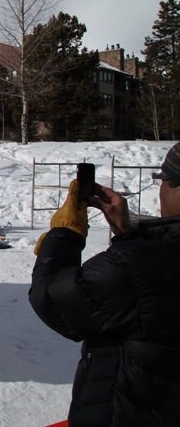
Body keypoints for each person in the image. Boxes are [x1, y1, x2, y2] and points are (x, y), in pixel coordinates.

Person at [30, 143, 180, 426]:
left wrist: (64, 234)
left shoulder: (138, 265)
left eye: (162, 181)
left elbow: (53, 300)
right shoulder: (144, 261)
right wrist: (127, 235)